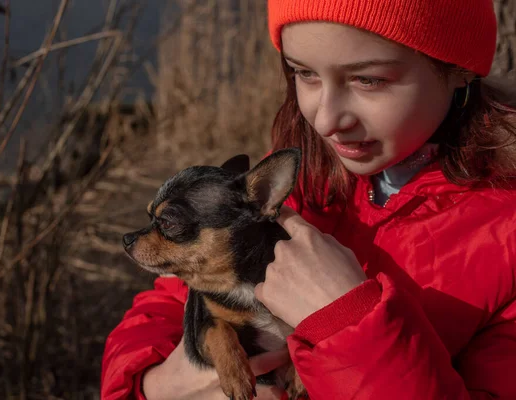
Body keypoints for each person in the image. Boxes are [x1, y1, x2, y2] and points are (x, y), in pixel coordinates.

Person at [101, 0, 516, 398]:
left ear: (459, 69)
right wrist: (155, 386)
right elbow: (165, 304)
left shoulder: (505, 238)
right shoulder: (292, 185)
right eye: (305, 73)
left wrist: (344, 321)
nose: (325, 118)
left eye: (368, 79)